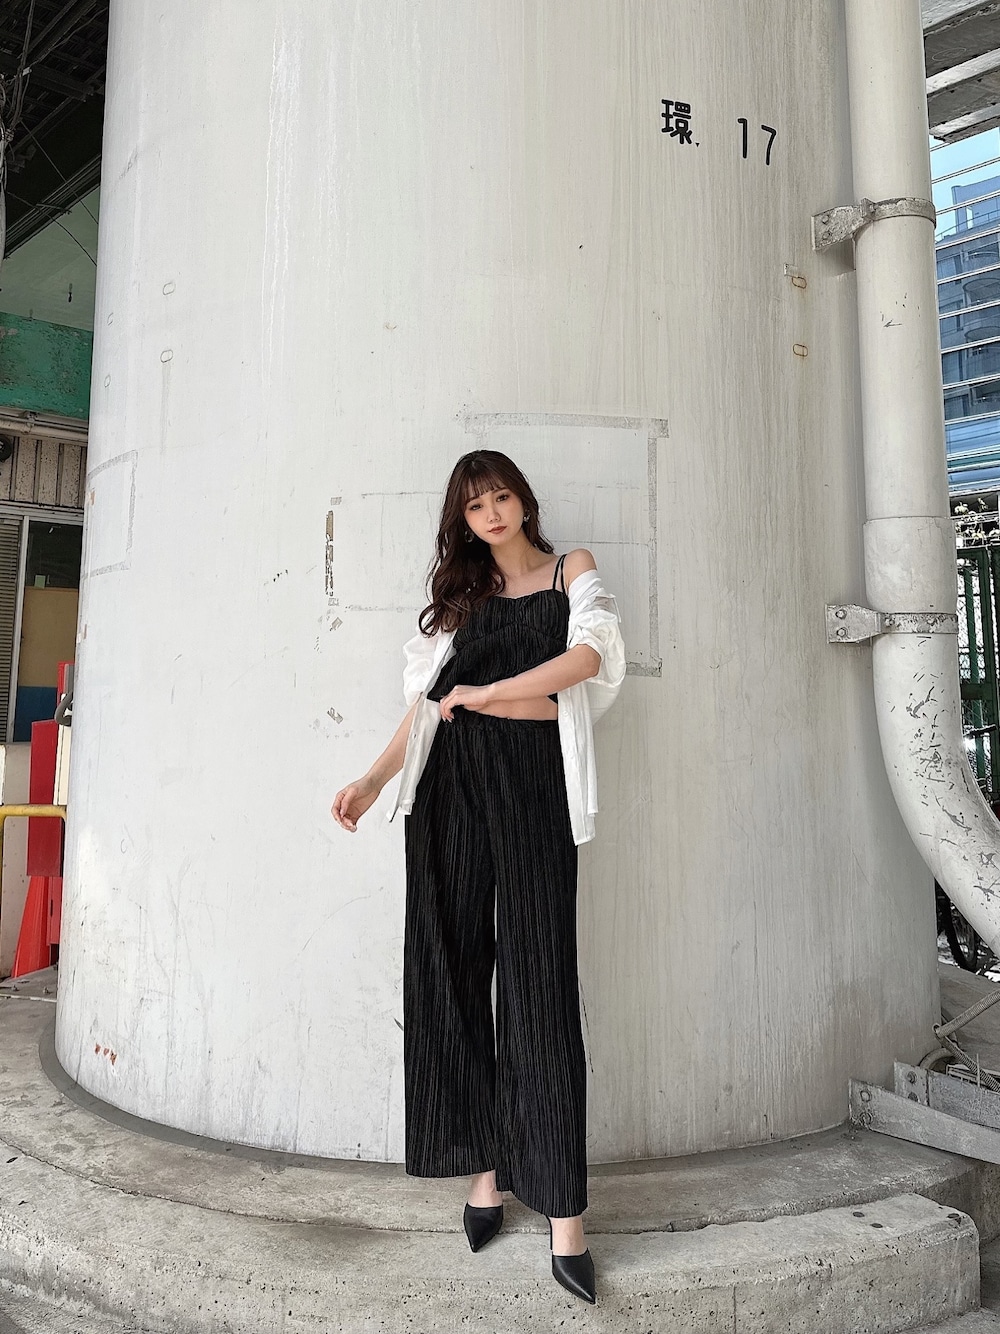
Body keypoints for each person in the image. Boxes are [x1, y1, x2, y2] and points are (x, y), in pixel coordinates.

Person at [331, 450, 626, 1304]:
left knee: (540, 986)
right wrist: (373, 779)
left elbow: (588, 661)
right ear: (461, 521)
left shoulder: (570, 571)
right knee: (452, 973)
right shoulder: (463, 598)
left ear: (523, 499)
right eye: (474, 506)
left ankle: (564, 1211)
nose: (491, 513)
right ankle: (485, 1170)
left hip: (533, 790)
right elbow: (428, 705)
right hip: (451, 789)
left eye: (500, 496)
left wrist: (489, 693)